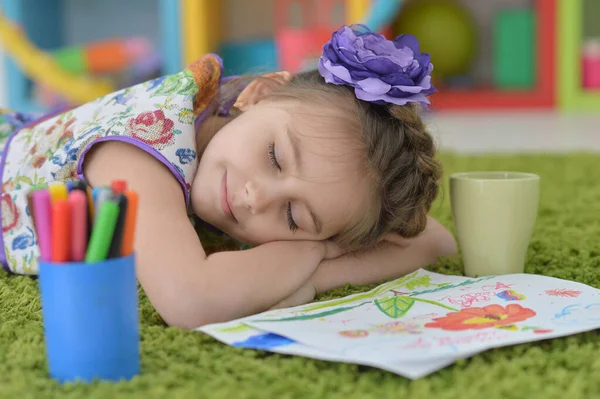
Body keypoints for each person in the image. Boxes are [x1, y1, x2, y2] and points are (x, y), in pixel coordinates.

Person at [0, 25, 456, 329]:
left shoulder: (239, 154)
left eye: (294, 216)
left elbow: (436, 240)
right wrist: (314, 252)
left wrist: (318, 273)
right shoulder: (141, 144)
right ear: (258, 95)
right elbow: (189, 299)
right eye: (276, 157)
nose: (256, 198)